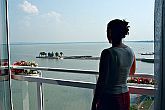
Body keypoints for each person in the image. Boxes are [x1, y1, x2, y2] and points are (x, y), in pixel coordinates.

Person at [91, 19, 136, 110]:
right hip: (125, 95)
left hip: (110, 97)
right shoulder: (131, 51)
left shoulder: (107, 53)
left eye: (107, 31)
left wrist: (94, 102)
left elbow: (102, 81)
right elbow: (132, 72)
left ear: (110, 32)